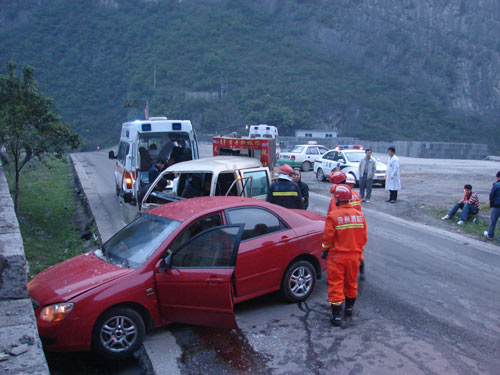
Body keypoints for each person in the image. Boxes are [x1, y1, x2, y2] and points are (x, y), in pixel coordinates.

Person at [321, 185, 367, 326]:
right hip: (354, 257)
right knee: (351, 283)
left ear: (338, 199)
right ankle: (349, 308)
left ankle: (336, 316)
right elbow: (363, 238)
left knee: (336, 284)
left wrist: (324, 250)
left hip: (337, 257)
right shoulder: (359, 216)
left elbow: (328, 238)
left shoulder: (333, 216)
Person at [484, 170, 500, 243]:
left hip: (496, 206)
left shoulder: (496, 185)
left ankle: (490, 235)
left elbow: (491, 196)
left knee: (493, 221)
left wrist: (491, 205)